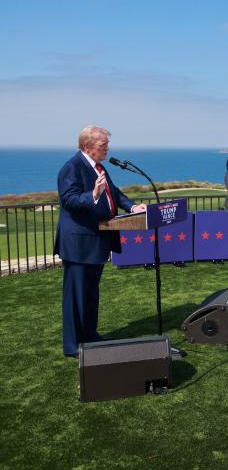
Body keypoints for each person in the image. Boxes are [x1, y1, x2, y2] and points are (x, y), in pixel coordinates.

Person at [54, 125, 146, 358]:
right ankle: (73, 345)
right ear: (88, 146)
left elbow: (114, 193)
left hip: (96, 241)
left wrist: (133, 206)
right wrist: (92, 195)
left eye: (106, 144)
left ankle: (89, 335)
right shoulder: (72, 167)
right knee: (75, 296)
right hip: (79, 243)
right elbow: (69, 200)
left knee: (91, 294)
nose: (107, 148)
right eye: (103, 144)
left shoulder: (99, 167)